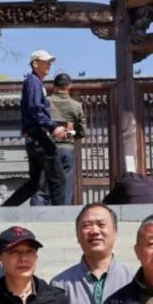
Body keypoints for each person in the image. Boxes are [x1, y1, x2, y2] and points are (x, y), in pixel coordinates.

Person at [3, 50, 69, 207]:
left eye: (50, 62)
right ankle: (61, 215)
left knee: (35, 183)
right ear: (35, 63)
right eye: (46, 62)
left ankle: (5, 209)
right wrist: (53, 127)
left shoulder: (34, 82)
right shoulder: (33, 82)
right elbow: (35, 108)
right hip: (39, 135)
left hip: (33, 137)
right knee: (58, 179)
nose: (49, 65)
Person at [32, 73, 86, 206]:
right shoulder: (76, 106)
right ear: (69, 87)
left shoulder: (44, 103)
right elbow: (82, 132)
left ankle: (37, 215)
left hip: (47, 149)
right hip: (66, 150)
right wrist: (69, 132)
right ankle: (63, 214)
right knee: (64, 188)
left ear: (53, 86)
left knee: (41, 187)